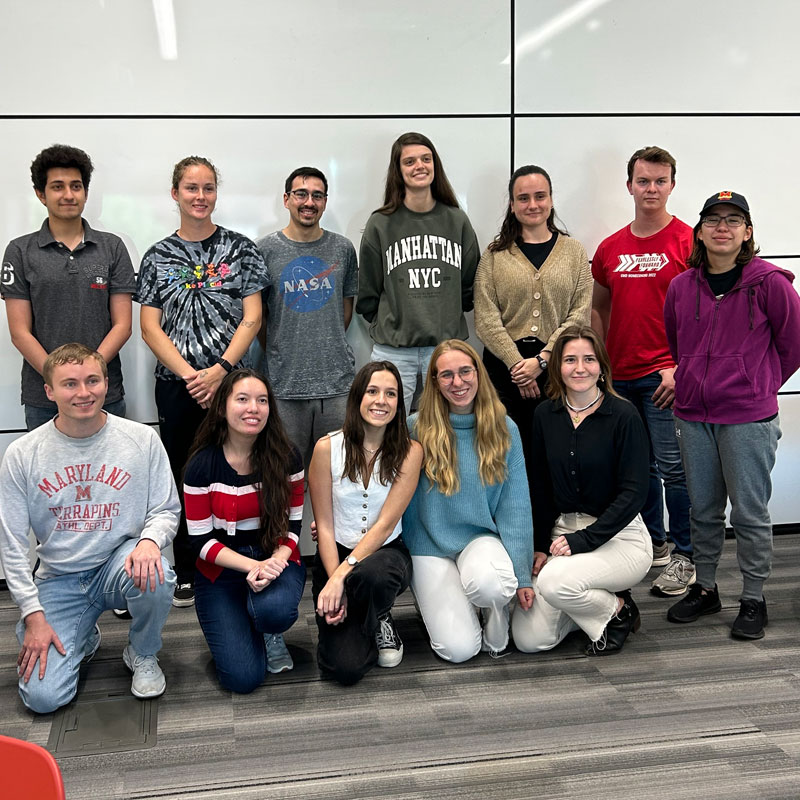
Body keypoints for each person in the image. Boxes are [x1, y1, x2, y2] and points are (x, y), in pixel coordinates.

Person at [0, 344, 179, 713]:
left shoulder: (141, 440)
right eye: (70, 384)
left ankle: (142, 653)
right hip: (59, 579)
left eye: (92, 380)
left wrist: (149, 541)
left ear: (106, 383)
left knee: (157, 572)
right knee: (43, 699)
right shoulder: (22, 454)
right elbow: (13, 546)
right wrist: (33, 617)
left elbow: (165, 509)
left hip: (120, 564)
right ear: (49, 391)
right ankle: (82, 636)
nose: (83, 393)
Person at [664, 192, 800, 640]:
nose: (722, 227)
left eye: (733, 220)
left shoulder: (770, 284)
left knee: (749, 513)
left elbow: (792, 346)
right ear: (700, 231)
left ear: (747, 232)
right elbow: (677, 343)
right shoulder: (682, 286)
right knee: (702, 509)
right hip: (693, 415)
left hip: (747, 419)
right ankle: (706, 589)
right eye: (713, 220)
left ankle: (754, 598)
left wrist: (755, 384)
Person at [136, 155, 267, 608]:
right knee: (183, 474)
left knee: (239, 470)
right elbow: (149, 327)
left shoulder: (241, 249)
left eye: (208, 188)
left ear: (216, 194)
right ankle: (189, 568)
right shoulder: (156, 255)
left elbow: (253, 316)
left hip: (233, 382)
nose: (200, 197)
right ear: (175, 194)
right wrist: (193, 375)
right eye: (191, 188)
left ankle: (243, 558)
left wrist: (221, 371)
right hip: (178, 384)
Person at [591, 145, 694, 597]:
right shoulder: (610, 247)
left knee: (675, 468)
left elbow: (703, 314)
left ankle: (687, 553)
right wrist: (599, 366)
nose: (651, 189)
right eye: (643, 181)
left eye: (660, 181)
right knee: (640, 469)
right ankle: (655, 542)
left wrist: (680, 367)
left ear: (672, 184)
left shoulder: (689, 242)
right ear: (629, 185)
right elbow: (598, 308)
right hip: (619, 377)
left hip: (663, 377)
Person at [511, 326, 651, 656]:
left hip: (619, 536)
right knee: (530, 640)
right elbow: (541, 485)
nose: (579, 368)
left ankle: (618, 612)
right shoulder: (546, 414)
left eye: (589, 359)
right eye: (570, 359)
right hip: (563, 534)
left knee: (553, 583)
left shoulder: (624, 415)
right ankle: (594, 600)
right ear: (557, 367)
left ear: (602, 367)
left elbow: (634, 493)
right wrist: (541, 544)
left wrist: (582, 541)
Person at [402, 339, 533, 662]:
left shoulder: (504, 428)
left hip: (479, 539)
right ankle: (454, 599)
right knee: (459, 650)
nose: (457, 383)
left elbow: (516, 508)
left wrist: (522, 575)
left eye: (464, 372)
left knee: (491, 586)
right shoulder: (414, 428)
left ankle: (494, 610)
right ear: (433, 381)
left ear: (479, 373)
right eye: (446, 375)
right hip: (428, 546)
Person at [474, 164, 591, 508]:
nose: (532, 204)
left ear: (551, 200)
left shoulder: (573, 252)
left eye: (540, 196)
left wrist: (542, 361)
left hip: (557, 370)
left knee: (553, 452)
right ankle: (509, 524)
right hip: (501, 372)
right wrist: (517, 365)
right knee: (505, 453)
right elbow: (485, 317)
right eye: (523, 198)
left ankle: (549, 529)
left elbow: (579, 313)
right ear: (512, 205)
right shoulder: (495, 256)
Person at [182, 368, 305, 693]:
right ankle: (241, 622)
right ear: (222, 407)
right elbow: (200, 542)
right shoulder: (201, 465)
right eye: (243, 399)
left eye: (262, 400)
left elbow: (293, 526)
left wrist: (273, 562)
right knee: (242, 679)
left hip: (276, 559)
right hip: (219, 571)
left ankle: (268, 630)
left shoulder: (288, 457)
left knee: (274, 612)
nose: (254, 408)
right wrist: (253, 566)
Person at [1, 144, 135, 430]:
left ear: (85, 192)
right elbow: (19, 332)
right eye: (57, 186)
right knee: (49, 476)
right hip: (45, 396)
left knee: (113, 475)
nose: (68, 195)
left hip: (104, 395)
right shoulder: (19, 251)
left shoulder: (112, 247)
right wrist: (61, 380)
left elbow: (123, 325)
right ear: (41, 194)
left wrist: (88, 378)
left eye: (76, 186)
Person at [309, 361, 423, 684]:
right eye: (373, 391)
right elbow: (325, 527)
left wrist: (343, 576)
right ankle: (366, 619)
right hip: (335, 556)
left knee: (373, 574)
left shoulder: (410, 452)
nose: (381, 401)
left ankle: (380, 611)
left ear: (399, 404)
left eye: (391, 394)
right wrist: (335, 581)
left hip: (386, 557)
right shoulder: (326, 448)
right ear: (358, 397)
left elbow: (386, 525)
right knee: (343, 670)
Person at [356, 132, 479, 410]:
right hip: (394, 351)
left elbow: (470, 284)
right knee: (388, 431)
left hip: (446, 350)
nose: (419, 166)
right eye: (409, 161)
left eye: (426, 159)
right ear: (398, 171)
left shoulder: (456, 220)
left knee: (447, 431)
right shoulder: (380, 224)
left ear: (435, 165)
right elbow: (368, 292)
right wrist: (392, 323)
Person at [256, 166, 358, 467]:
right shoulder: (265, 250)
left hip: (337, 385)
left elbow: (345, 309)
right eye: (301, 194)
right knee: (285, 479)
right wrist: (279, 348)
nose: (309, 202)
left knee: (339, 477)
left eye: (317, 195)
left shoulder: (343, 249)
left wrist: (325, 341)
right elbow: (258, 318)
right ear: (286, 199)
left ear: (325, 201)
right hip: (283, 386)